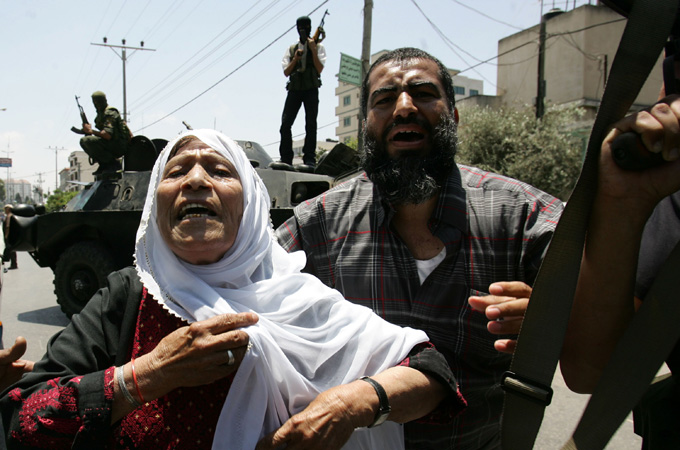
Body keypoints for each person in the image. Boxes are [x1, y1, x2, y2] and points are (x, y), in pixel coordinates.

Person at [1, 129, 465, 449]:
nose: (197, 180)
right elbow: (21, 419)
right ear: (155, 204)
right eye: (177, 171)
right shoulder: (128, 298)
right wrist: (146, 376)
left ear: (251, 204)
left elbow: (432, 374)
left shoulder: (299, 298)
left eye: (220, 171)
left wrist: (350, 405)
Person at [275, 47, 564, 449]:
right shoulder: (318, 225)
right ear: (365, 126)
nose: (405, 107)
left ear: (454, 117)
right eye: (385, 99)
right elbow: (240, 280)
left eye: (424, 94)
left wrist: (551, 316)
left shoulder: (523, 217)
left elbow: (602, 324)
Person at [276, 16, 325, 170]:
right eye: (301, 27)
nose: (303, 30)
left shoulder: (318, 47)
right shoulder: (292, 49)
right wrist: (296, 59)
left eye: (306, 27)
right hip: (295, 89)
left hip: (311, 89)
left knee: (311, 125)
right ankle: (286, 159)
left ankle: (309, 159)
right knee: (285, 125)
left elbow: (319, 69)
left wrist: (313, 49)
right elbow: (286, 71)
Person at [79, 91, 130, 176]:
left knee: (87, 140)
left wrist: (91, 131)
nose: (96, 105)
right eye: (94, 102)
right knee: (85, 142)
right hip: (112, 144)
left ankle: (112, 164)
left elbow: (107, 135)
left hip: (119, 145)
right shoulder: (101, 113)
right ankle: (104, 164)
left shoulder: (109, 112)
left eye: (97, 102)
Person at [2, 205, 17, 270]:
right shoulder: (12, 215)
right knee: (12, 250)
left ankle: (13, 264)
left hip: (9, 236)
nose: (5, 210)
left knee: (10, 250)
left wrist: (6, 235)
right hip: (12, 236)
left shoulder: (9, 216)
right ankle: (14, 263)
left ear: (8, 209)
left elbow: (8, 226)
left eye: (5, 209)